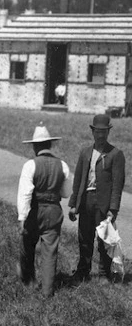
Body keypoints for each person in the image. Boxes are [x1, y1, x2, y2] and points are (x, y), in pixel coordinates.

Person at [68, 114, 126, 282]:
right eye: (97, 132)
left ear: (108, 133)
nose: (100, 136)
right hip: (86, 200)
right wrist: (73, 204)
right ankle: (83, 271)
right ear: (92, 132)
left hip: (104, 203)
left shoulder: (116, 154)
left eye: (104, 132)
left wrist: (112, 209)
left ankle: (103, 273)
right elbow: (78, 180)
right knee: (84, 238)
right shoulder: (85, 153)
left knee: (104, 240)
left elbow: (117, 186)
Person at [17, 125, 70, 297]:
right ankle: (47, 292)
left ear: (34, 147)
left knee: (27, 243)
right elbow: (66, 193)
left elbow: (25, 193)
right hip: (54, 210)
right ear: (50, 145)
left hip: (35, 210)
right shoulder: (62, 165)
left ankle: (28, 280)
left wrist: (22, 217)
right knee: (50, 252)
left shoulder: (30, 165)